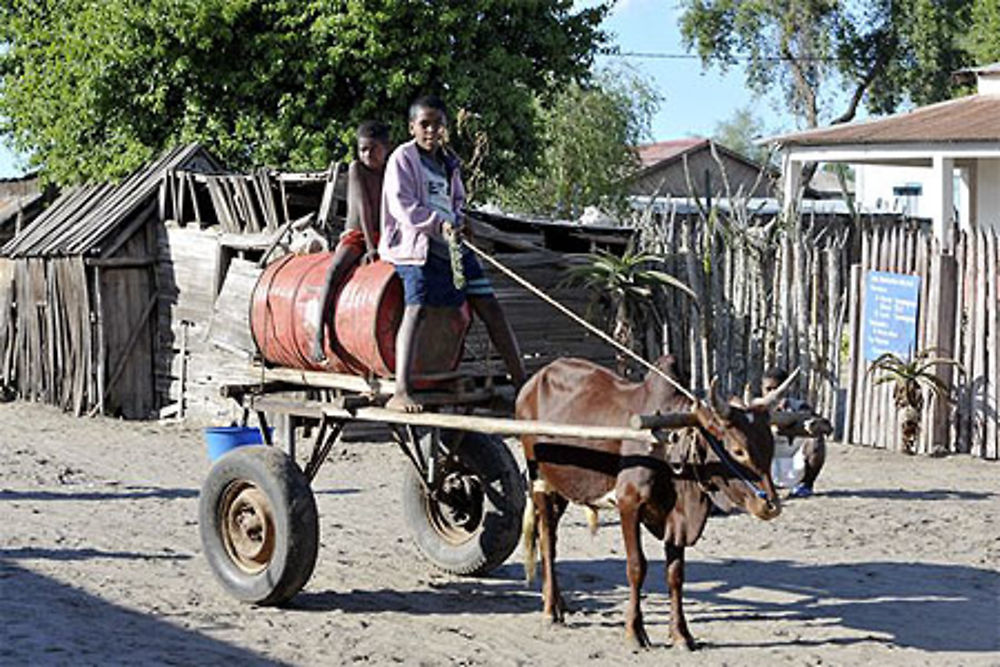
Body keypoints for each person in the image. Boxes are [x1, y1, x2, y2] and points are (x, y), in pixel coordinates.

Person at [379, 94, 526, 412]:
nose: (431, 131)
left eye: (438, 125)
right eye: (424, 124)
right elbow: (403, 206)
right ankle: (401, 390)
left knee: (490, 306)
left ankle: (522, 385)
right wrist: (438, 224)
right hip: (415, 247)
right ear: (412, 127)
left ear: (446, 128)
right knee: (415, 309)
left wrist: (460, 220)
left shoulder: (448, 163)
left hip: (452, 248)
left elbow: (455, 202)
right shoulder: (402, 159)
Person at [313, 120, 391, 362]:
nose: (367, 154)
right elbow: (364, 208)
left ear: (386, 148)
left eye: (373, 149)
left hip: (386, 234)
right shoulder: (357, 169)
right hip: (357, 235)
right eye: (362, 149)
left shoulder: (392, 169)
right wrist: (370, 247)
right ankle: (318, 334)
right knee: (334, 271)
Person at [763, 366, 827, 498]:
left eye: (776, 389)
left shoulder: (799, 407)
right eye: (768, 389)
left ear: (786, 389)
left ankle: (805, 486)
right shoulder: (756, 409)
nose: (772, 393)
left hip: (793, 458)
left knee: (816, 439)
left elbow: (820, 425)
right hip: (767, 460)